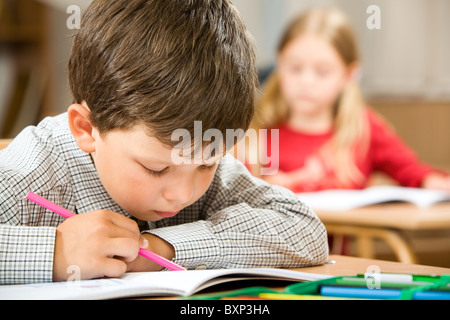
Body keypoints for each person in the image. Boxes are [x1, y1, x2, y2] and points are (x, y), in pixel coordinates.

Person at [0, 0, 328, 285]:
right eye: (156, 168)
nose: (183, 193)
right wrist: (55, 253)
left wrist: (160, 247)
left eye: (207, 163)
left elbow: (304, 228)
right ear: (87, 129)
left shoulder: (197, 157)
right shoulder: (32, 170)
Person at [247, 8, 450, 193]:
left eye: (322, 72)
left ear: (349, 75)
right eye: (295, 68)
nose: (306, 81)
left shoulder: (363, 128)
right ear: (279, 63)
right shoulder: (256, 130)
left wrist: (432, 182)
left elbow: (414, 173)